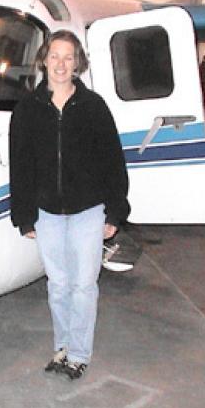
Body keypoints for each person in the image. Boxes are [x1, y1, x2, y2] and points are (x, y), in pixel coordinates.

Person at [9, 30, 130, 380]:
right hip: (46, 213)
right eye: (55, 56)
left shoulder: (94, 108)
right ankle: (61, 347)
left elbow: (113, 162)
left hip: (88, 211)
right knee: (58, 285)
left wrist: (115, 211)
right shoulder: (27, 110)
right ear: (44, 60)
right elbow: (21, 165)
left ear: (77, 64)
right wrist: (24, 215)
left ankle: (79, 354)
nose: (61, 64)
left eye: (68, 57)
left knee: (83, 286)